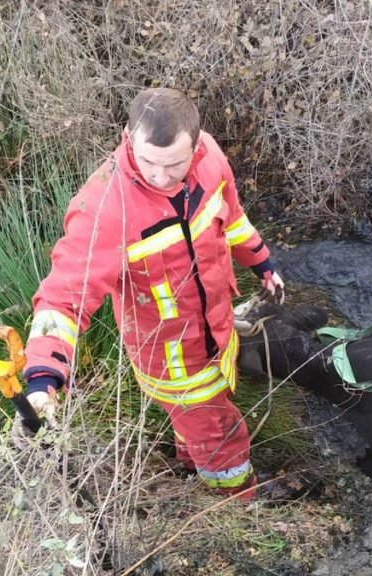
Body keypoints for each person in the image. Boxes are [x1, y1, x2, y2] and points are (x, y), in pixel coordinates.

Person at [18, 88, 284, 501]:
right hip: (171, 357)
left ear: (195, 146)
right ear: (128, 136)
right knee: (220, 435)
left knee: (199, 423)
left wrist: (261, 262)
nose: (161, 177)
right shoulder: (106, 207)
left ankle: (191, 461)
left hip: (216, 326)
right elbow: (64, 295)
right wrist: (42, 374)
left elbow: (232, 219)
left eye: (175, 164)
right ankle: (236, 501)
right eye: (148, 163)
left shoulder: (210, 161)